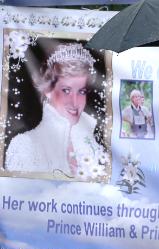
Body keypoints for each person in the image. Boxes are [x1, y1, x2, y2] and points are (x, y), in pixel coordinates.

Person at [5, 43, 108, 181]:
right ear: (48, 90)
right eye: (66, 90)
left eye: (81, 91)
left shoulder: (91, 144)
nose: (75, 102)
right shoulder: (24, 145)